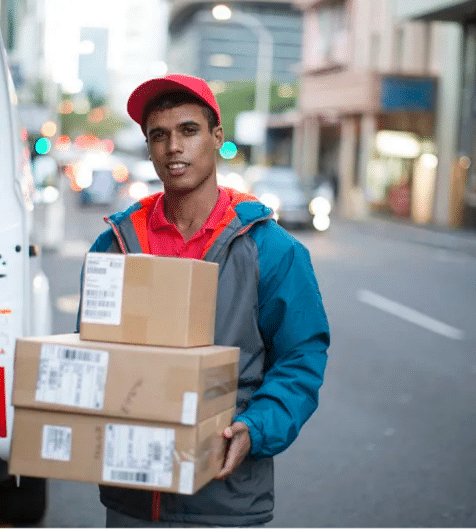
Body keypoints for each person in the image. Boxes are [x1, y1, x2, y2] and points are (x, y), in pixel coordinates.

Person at [81, 74, 330, 527]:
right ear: (148, 146)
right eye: (159, 136)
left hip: (223, 500)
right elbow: (93, 353)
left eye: (188, 131)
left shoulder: (271, 250)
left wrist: (256, 429)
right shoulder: (114, 245)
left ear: (217, 137)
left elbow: (300, 358)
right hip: (131, 498)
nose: (173, 147)